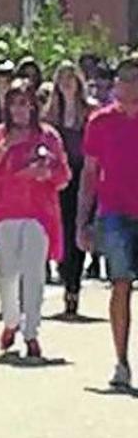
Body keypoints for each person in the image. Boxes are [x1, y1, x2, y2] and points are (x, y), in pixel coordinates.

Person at [0, 82, 71, 359]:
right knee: (7, 275)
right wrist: (4, 149)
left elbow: (64, 176)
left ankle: (31, 333)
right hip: (5, 211)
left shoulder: (48, 136)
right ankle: (10, 321)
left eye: (25, 103)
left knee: (34, 274)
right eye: (15, 103)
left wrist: (46, 174)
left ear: (34, 107)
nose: (20, 110)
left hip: (39, 213)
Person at [76, 53, 138, 389]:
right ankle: (122, 361)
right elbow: (89, 173)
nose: (127, 85)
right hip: (114, 211)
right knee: (120, 283)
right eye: (123, 79)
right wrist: (81, 222)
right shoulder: (100, 122)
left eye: (134, 79)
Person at [44, 61, 98, 315]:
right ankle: (66, 276)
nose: (66, 82)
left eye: (70, 77)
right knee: (60, 231)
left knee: (78, 228)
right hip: (58, 179)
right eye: (61, 78)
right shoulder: (49, 115)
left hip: (84, 176)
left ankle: (73, 287)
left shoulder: (91, 112)